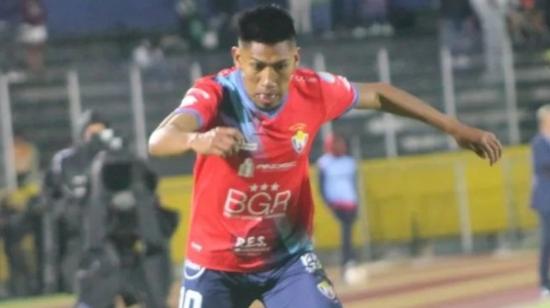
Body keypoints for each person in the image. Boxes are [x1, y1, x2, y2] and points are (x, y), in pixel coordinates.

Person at [148, 5, 502, 307]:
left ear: (296, 59)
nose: (269, 79)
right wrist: (199, 140)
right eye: (257, 67)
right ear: (238, 58)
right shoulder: (215, 94)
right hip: (215, 265)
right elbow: (160, 139)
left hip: (286, 261)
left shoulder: (313, 90)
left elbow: (378, 94)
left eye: (281, 66)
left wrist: (453, 126)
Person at [41, 110, 111, 293]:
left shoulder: (114, 157)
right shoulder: (66, 159)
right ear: (82, 132)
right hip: (77, 228)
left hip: (110, 227)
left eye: (100, 132)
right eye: (91, 132)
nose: (95, 137)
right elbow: (52, 194)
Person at [317, 133, 362, 284]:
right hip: (336, 205)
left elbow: (354, 184)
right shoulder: (324, 163)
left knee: (348, 235)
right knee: (345, 235)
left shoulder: (349, 162)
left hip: (351, 203)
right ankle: (346, 263)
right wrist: (329, 204)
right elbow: (321, 186)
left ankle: (349, 262)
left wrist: (357, 202)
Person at [531, 104, 550, 298]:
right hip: (546, 200)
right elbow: (544, 165)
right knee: (547, 242)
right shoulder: (538, 142)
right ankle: (544, 282)